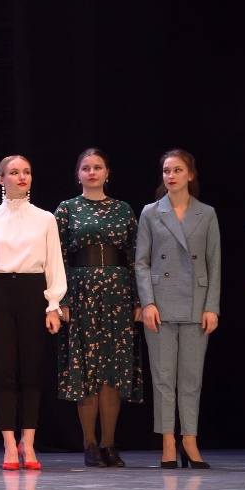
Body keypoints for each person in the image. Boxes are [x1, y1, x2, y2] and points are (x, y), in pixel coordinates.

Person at [0, 155, 65, 471]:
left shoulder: (45, 219)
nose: (21, 177)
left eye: (26, 172)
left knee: (32, 370)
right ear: (1, 179)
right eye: (13, 172)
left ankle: (29, 442)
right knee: (3, 371)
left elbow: (54, 264)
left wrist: (53, 304)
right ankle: (9, 443)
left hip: (33, 292)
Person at [54, 149, 143, 469]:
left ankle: (109, 443)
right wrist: (62, 299)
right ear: (77, 174)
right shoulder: (67, 209)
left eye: (98, 167)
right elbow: (57, 257)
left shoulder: (123, 209)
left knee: (113, 369)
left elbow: (135, 256)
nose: (92, 172)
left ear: (107, 172)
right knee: (87, 368)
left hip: (118, 293)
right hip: (81, 292)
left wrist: (138, 300)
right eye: (86, 168)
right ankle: (89, 444)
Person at [135, 149, 220, 469]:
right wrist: (147, 302)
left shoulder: (206, 213)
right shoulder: (151, 212)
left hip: (196, 303)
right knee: (163, 377)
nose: (170, 176)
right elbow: (141, 262)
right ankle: (168, 441)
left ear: (190, 175)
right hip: (160, 303)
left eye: (177, 170)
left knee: (191, 378)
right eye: (166, 171)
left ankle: (190, 440)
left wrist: (212, 306)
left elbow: (214, 263)